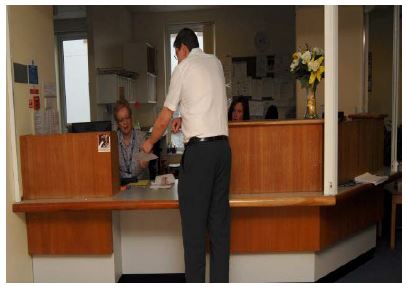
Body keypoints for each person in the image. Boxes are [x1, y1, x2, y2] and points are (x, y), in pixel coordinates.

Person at [142, 28, 231, 283]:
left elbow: (164, 117)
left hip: (200, 154)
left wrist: (149, 142)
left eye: (176, 55)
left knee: (193, 233)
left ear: (182, 49)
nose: (177, 59)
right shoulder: (215, 62)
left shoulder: (184, 67)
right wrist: (186, 117)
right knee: (219, 231)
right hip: (223, 152)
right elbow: (208, 103)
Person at [114, 99, 149, 184]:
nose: (125, 123)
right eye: (121, 120)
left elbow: (144, 164)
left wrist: (145, 157)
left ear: (131, 118)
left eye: (127, 118)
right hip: (121, 186)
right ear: (118, 123)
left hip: (140, 186)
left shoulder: (141, 137)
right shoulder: (113, 139)